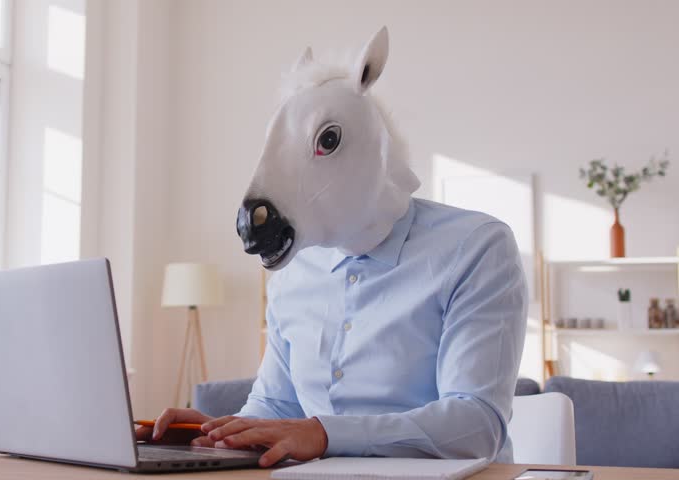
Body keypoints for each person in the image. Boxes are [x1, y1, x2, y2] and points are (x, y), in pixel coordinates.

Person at [136, 29, 527, 468]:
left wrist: (324, 434)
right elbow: (277, 408)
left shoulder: (476, 248)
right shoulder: (292, 273)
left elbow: (476, 424)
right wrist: (213, 433)